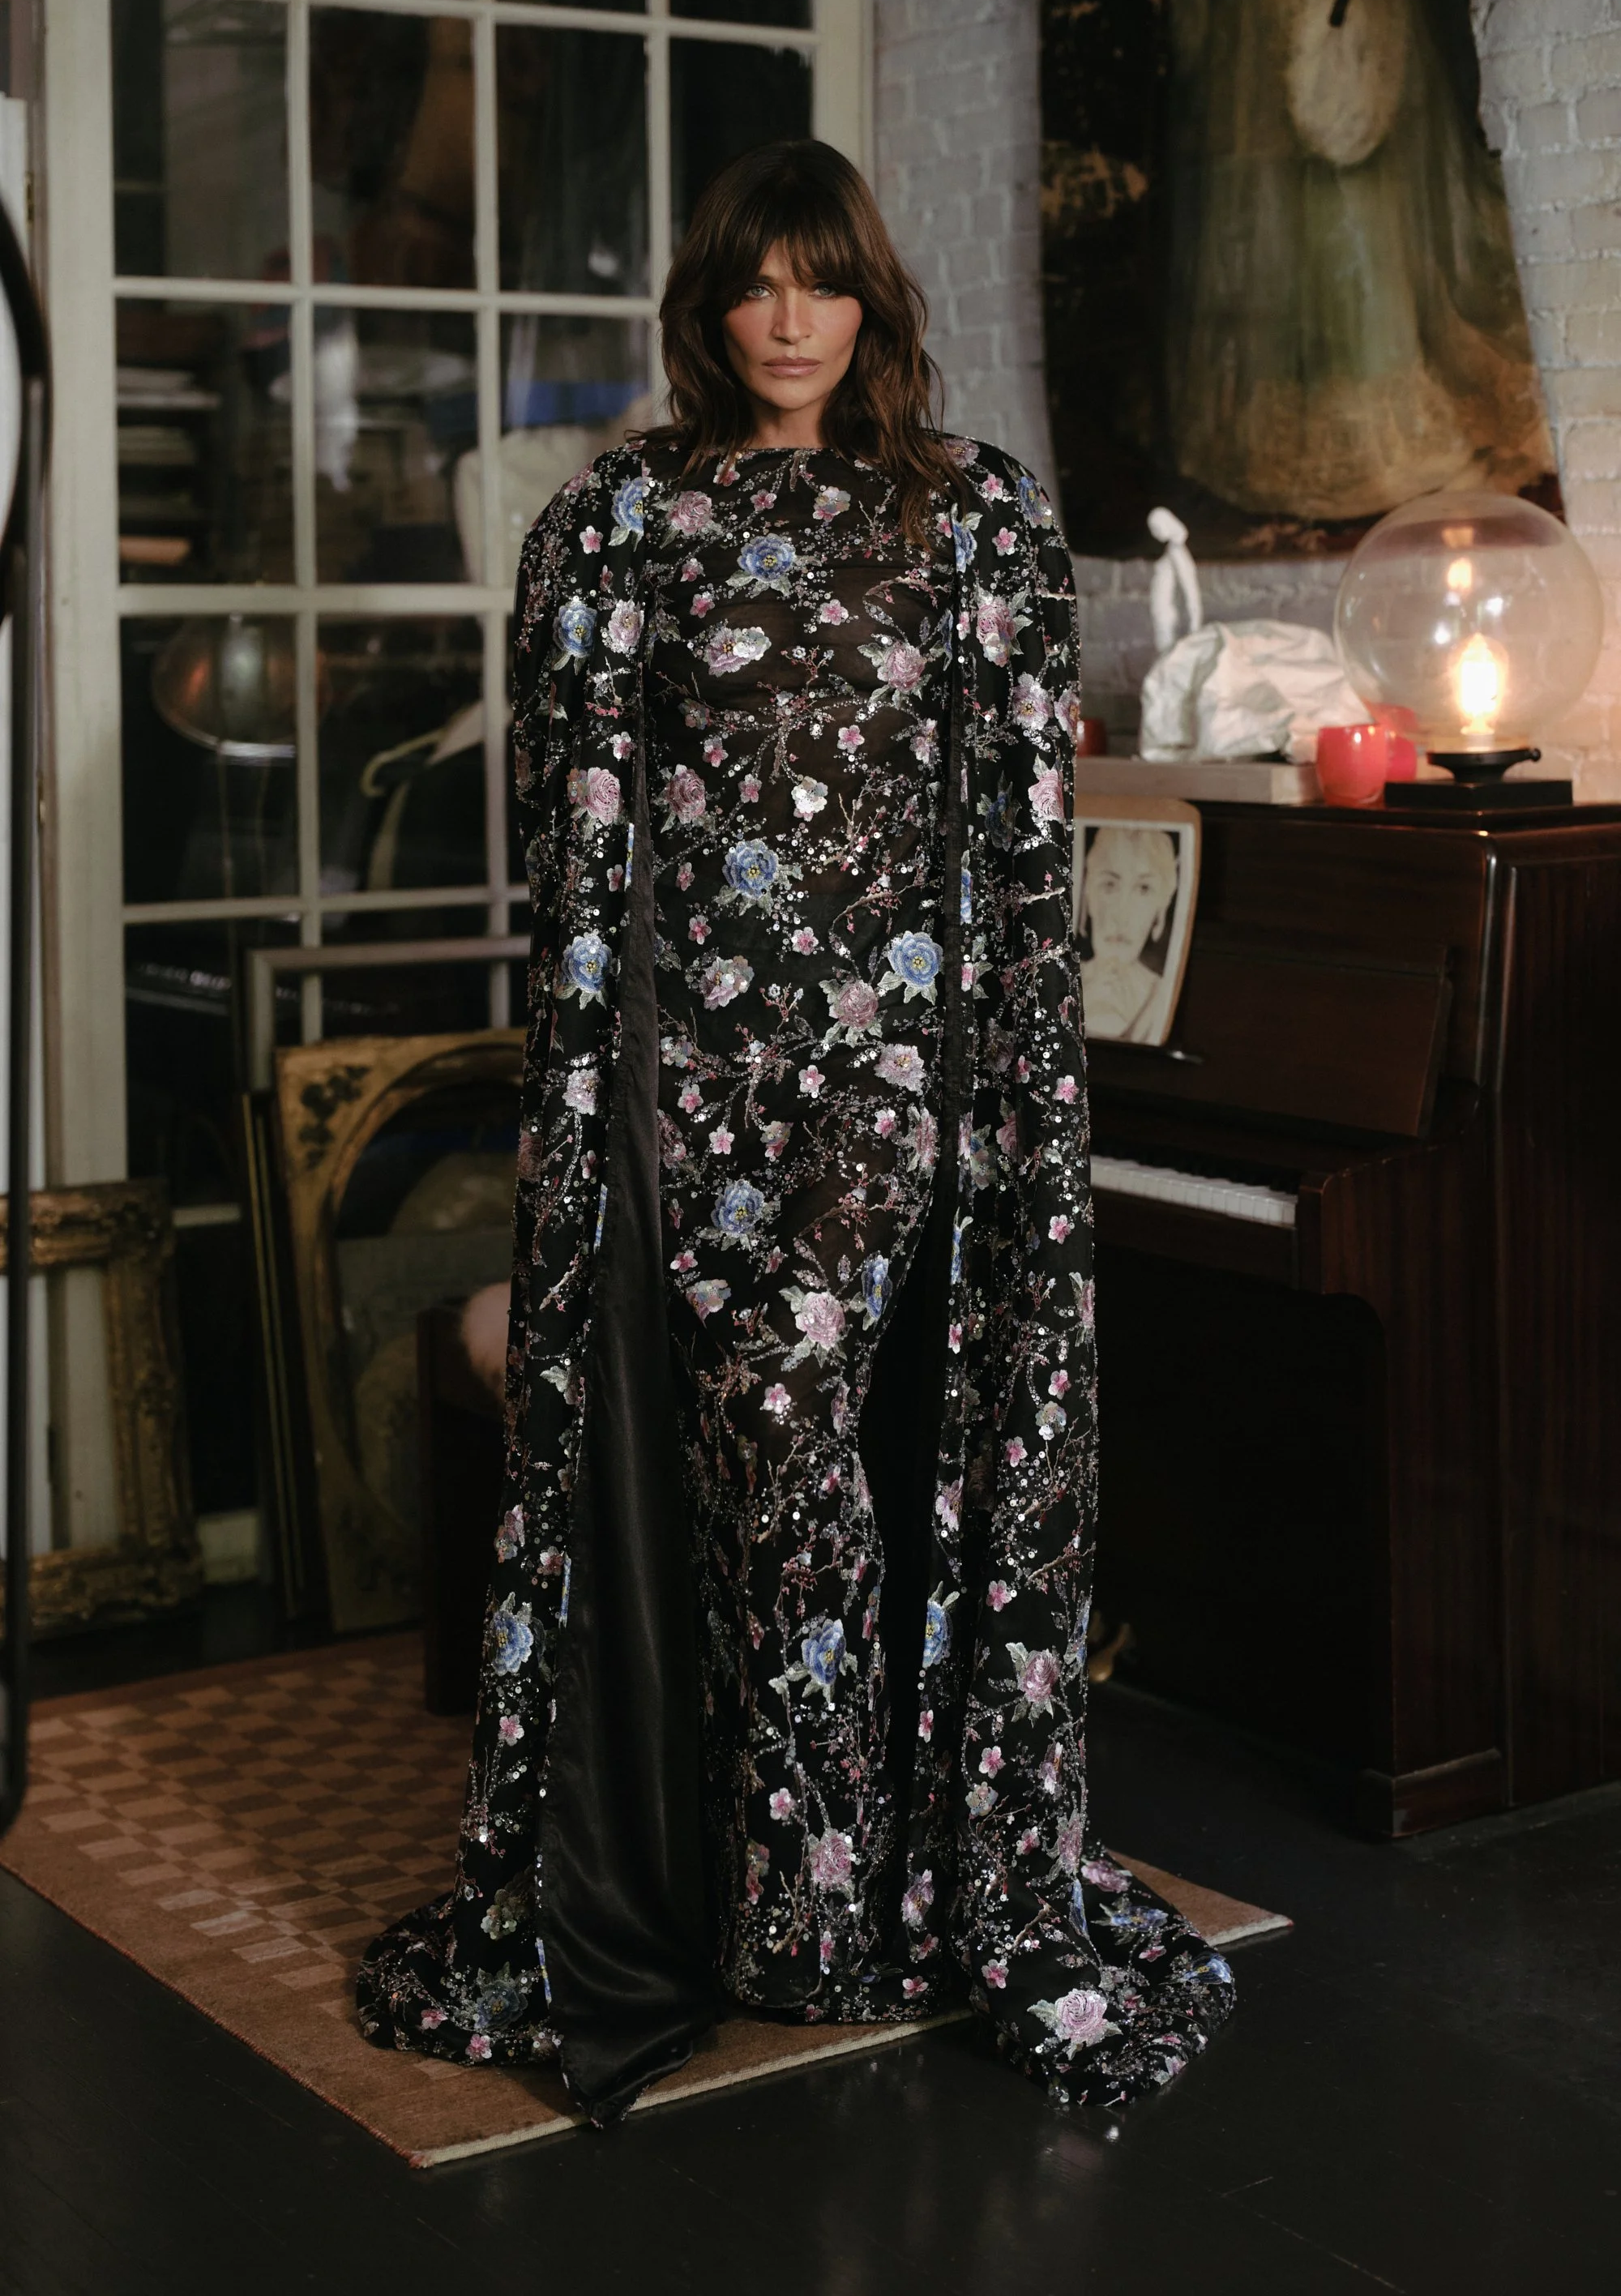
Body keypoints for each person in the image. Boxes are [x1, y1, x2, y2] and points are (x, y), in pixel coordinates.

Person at [357, 139, 1235, 2121]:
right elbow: (572, 857)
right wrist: (590, 1116)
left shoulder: (973, 520)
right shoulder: (616, 525)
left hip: (891, 1092)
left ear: (867, 303)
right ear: (707, 302)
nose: (783, 318)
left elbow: (1017, 842)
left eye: (817, 282)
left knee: (858, 1454)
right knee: (753, 1459)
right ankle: (761, 1898)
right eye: (752, 282)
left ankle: (866, 1896)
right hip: (693, 1095)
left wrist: (1001, 1107)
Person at [1078, 824, 1180, 1041]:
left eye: (1144, 889)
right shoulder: (1049, 981)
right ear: (1089, 895)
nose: (1122, 915)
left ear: (1160, 908)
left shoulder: (1163, 995)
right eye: (1109, 885)